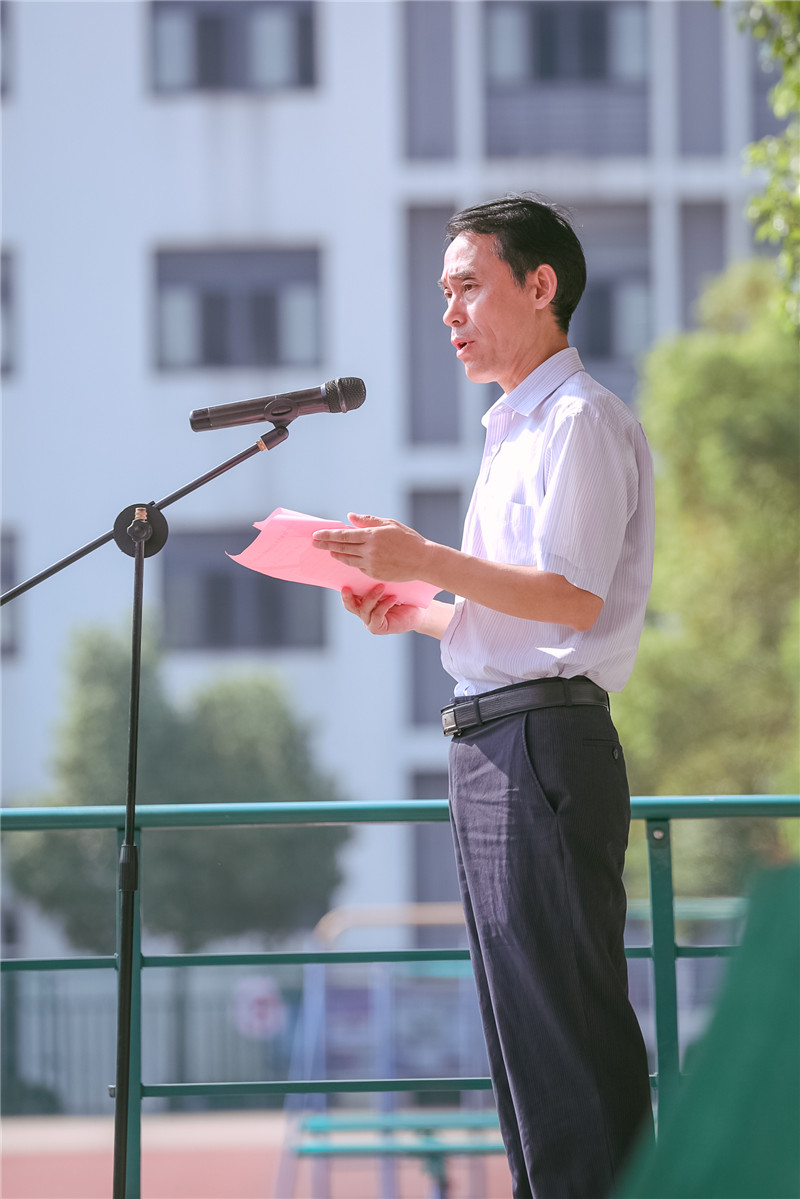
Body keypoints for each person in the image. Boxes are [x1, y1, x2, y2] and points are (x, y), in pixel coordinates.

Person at [312, 194, 655, 1199]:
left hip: (542, 743)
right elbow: (516, 621)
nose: (450, 312)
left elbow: (571, 599)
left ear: (540, 286)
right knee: (523, 1038)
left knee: (564, 1028)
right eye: (443, 292)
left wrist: (424, 557)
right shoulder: (511, 430)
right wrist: (411, 608)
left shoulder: (579, 418)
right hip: (496, 742)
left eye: (468, 286)